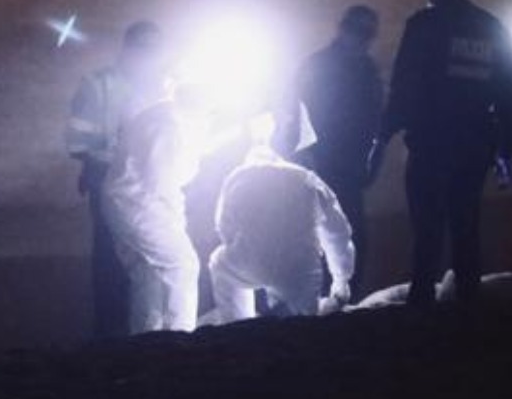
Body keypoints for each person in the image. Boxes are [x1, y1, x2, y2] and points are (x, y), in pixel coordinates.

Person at [367, 0, 512, 306]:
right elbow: (509, 89)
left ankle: (422, 302)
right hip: (474, 143)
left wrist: (382, 137)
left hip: (430, 142)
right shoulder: (490, 27)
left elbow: (404, 85)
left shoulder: (423, 25)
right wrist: (506, 146)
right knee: (466, 224)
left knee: (426, 228)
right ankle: (468, 300)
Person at [64, 20, 168, 338]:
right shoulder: (99, 85)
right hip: (110, 180)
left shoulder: (166, 85)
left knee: (151, 257)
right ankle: (112, 333)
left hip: (151, 182)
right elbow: (78, 142)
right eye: (144, 49)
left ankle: (144, 329)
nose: (149, 57)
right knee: (112, 259)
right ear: (128, 49)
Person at [280, 5, 383, 300]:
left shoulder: (365, 70)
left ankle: (344, 295)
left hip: (348, 167)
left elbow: (375, 119)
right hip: (319, 163)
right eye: (359, 32)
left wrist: (373, 159)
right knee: (315, 234)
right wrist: (301, 156)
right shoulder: (319, 67)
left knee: (350, 234)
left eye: (366, 35)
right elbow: (294, 114)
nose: (362, 40)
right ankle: (317, 297)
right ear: (344, 30)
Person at [210, 112, 354, 321]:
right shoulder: (307, 180)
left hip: (249, 261)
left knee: (220, 266)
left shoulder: (236, 178)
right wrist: (341, 280)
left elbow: (223, 225)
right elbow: (336, 233)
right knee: (303, 322)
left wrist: (241, 247)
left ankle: (237, 326)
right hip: (300, 267)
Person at [102, 83, 214, 334]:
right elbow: (164, 180)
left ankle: (146, 344)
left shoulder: (162, 116)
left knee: (149, 277)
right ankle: (180, 340)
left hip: (128, 204)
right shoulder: (168, 127)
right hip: (139, 206)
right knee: (182, 265)